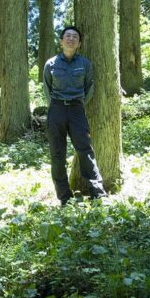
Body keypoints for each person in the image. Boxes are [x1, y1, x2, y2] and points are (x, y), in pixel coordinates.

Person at [42, 26, 106, 205]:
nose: (71, 39)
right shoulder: (51, 63)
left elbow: (89, 88)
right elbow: (47, 88)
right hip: (56, 110)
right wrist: (57, 106)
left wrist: (77, 104)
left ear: (79, 43)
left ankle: (98, 194)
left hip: (77, 110)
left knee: (85, 151)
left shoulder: (85, 64)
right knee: (57, 154)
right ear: (61, 41)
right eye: (67, 36)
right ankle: (64, 197)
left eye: (75, 37)